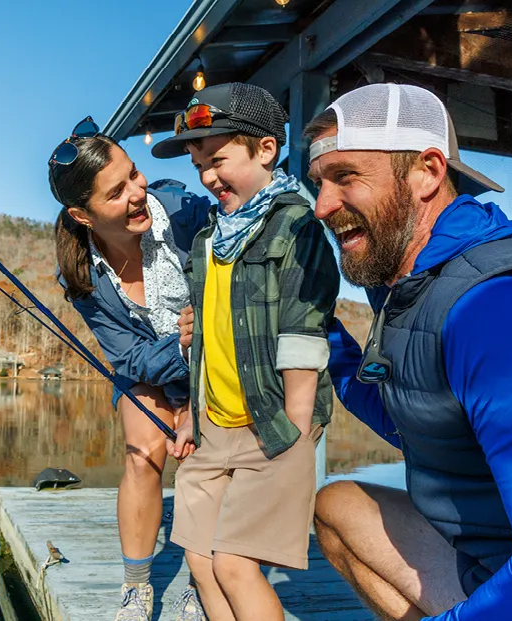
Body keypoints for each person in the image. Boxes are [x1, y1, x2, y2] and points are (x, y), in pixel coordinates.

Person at [305, 83, 512, 620]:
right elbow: (421, 421)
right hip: (503, 559)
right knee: (338, 507)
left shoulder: (508, 313)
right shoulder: (413, 289)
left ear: (427, 171)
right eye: (319, 183)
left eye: (346, 178)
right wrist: (327, 341)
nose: (322, 206)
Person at [151, 82, 340, 621]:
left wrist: (296, 430)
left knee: (234, 563)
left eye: (218, 159)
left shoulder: (297, 226)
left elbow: (305, 328)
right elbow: (205, 337)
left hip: (274, 423)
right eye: (198, 164)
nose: (208, 176)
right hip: (212, 425)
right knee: (201, 560)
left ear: (265, 149)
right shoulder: (207, 240)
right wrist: (189, 412)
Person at [49, 117, 210, 621]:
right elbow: (129, 359)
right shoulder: (80, 274)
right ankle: (136, 588)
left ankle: (199, 580)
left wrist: (195, 402)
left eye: (134, 175)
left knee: (202, 457)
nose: (137, 193)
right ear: (83, 214)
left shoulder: (192, 217)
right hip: (151, 371)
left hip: (217, 366)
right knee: (143, 452)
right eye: (116, 192)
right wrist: (180, 350)